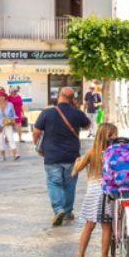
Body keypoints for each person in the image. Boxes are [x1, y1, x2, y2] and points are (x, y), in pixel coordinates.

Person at [33, 87, 92, 226]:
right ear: (72, 99)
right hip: (72, 155)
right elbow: (87, 125)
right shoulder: (77, 113)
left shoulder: (47, 113)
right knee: (69, 184)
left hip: (52, 155)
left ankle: (59, 209)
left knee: (54, 183)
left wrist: (38, 145)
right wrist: (76, 108)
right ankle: (67, 211)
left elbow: (36, 132)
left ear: (59, 96)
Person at [72, 122, 117, 257]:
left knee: (89, 226)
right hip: (107, 190)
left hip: (93, 191)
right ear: (109, 136)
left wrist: (77, 162)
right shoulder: (114, 151)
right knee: (106, 226)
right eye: (114, 134)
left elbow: (77, 169)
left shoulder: (92, 151)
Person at [0, 91, 20, 162]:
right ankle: (3, 156)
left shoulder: (10, 104)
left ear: (5, 96)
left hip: (8, 124)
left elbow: (13, 114)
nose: (1, 97)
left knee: (11, 139)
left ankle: (15, 154)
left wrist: (14, 124)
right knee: (0, 141)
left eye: (3, 95)